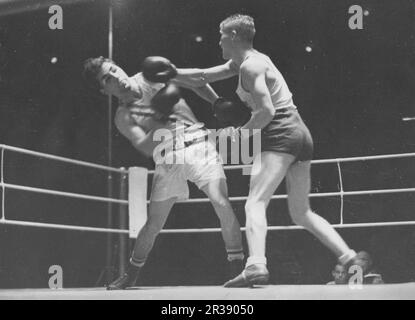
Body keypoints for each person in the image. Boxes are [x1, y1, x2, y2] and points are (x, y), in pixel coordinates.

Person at [174, 14, 371, 287]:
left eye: (221, 35)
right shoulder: (247, 61)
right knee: (301, 212)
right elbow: (203, 76)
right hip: (299, 132)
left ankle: (255, 265)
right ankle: (350, 259)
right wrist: (171, 73)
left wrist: (240, 134)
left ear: (233, 36)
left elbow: (266, 111)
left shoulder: (251, 67)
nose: (218, 40)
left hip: (279, 132)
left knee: (255, 201)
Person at [82, 56, 244, 289]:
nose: (116, 78)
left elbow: (197, 78)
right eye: (107, 79)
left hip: (198, 144)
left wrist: (216, 100)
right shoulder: (123, 116)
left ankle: (237, 268)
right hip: (166, 157)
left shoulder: (151, 75)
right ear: (103, 89)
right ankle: (131, 274)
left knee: (222, 203)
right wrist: (159, 115)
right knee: (153, 224)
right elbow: (147, 146)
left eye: (115, 70)